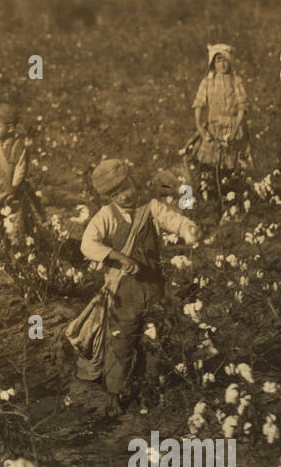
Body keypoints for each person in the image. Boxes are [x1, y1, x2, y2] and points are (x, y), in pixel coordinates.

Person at [63, 158, 198, 417]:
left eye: (126, 188)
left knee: (156, 335)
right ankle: (116, 392)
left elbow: (173, 219)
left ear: (132, 181)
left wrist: (188, 228)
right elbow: (87, 245)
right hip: (123, 295)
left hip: (153, 289)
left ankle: (153, 386)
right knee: (120, 342)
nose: (124, 196)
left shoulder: (151, 208)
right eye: (115, 194)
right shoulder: (106, 217)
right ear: (107, 198)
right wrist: (118, 256)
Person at [191, 43, 250, 201]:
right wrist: (200, 128)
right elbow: (199, 104)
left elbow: (242, 108)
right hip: (213, 128)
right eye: (218, 61)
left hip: (232, 128)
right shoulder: (207, 82)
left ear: (230, 62)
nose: (222, 65)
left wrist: (236, 129)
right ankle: (209, 200)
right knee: (208, 166)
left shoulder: (236, 81)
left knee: (231, 168)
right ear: (212, 64)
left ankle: (232, 201)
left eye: (225, 61)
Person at [0, 104, 40, 250]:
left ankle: (18, 251)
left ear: (10, 128)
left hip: (12, 195)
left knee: (15, 226)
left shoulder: (19, 148)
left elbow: (19, 174)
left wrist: (9, 192)